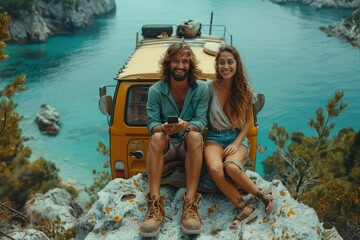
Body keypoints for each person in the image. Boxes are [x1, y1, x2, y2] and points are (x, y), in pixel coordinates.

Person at [140, 42, 209, 237]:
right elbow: (151, 123)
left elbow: (201, 121)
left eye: (185, 61)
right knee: (157, 136)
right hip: (168, 146)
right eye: (176, 61)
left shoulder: (201, 88)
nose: (180, 66)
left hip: (188, 143)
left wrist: (186, 126)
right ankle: (154, 204)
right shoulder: (155, 90)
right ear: (168, 63)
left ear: (190, 64)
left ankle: (190, 203)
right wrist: (163, 128)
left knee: (195, 135)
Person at [203, 45, 276, 229]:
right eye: (221, 62)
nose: (225, 66)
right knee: (215, 168)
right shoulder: (209, 87)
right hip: (214, 137)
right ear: (217, 65)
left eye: (230, 62)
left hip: (236, 137)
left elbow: (247, 121)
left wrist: (236, 143)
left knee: (232, 168)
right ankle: (243, 206)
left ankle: (262, 196)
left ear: (237, 64)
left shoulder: (245, 89)